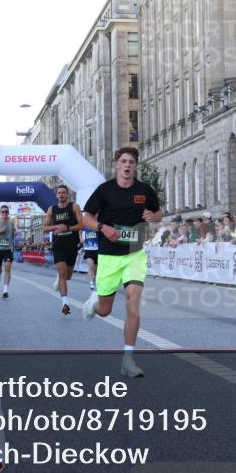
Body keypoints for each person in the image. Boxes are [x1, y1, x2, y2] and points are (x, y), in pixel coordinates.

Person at [81, 147, 163, 378]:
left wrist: (152, 217)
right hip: (108, 257)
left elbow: (159, 213)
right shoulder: (104, 190)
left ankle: (128, 358)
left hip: (134, 255)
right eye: (124, 161)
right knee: (105, 311)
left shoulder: (144, 190)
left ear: (135, 166)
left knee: (133, 301)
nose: (127, 166)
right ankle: (93, 303)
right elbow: (85, 217)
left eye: (132, 162)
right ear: (116, 165)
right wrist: (102, 227)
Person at [44, 184, 83, 315]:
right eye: (59, 193)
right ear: (56, 195)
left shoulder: (74, 207)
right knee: (62, 273)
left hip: (72, 245)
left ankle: (59, 278)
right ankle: (65, 303)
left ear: (68, 195)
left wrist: (67, 227)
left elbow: (81, 224)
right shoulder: (52, 209)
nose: (61, 194)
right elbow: (45, 227)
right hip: (58, 245)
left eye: (63, 193)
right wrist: (56, 227)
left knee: (68, 276)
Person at [81, 224, 99, 292]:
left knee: (96, 268)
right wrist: (81, 238)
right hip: (88, 249)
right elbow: (82, 240)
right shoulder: (85, 228)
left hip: (97, 249)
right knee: (91, 266)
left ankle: (95, 278)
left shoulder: (97, 227)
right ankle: (91, 283)